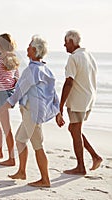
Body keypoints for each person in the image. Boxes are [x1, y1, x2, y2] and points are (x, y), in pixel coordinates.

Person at [0, 35, 64, 187]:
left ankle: (45, 179)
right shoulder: (45, 69)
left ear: (35, 50)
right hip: (32, 113)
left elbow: (18, 92)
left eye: (29, 46)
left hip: (32, 114)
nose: (27, 48)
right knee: (20, 140)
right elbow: (53, 93)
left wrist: (1, 109)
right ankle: (21, 171)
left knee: (38, 146)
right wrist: (58, 111)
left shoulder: (32, 71)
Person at [57, 30, 102, 175]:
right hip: (89, 98)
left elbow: (69, 82)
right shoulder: (89, 56)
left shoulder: (74, 58)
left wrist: (61, 105)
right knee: (74, 129)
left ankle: (81, 167)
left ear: (71, 41)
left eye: (65, 41)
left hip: (78, 100)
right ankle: (95, 157)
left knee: (75, 130)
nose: (64, 44)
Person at [0, 33, 20, 166]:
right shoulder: (14, 58)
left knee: (6, 127)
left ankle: (12, 158)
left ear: (0, 45)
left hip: (1, 93)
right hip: (10, 92)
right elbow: (17, 77)